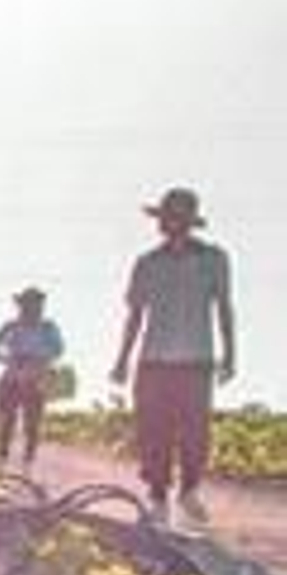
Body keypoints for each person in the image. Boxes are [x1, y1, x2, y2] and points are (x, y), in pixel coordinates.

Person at [111, 186, 235, 525]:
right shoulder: (147, 263)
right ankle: (157, 496)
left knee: (195, 430)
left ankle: (189, 489)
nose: (163, 223)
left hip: (197, 359)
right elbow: (135, 314)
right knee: (152, 430)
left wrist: (230, 354)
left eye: (171, 217)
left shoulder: (213, 259)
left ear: (186, 222)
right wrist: (122, 359)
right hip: (153, 359)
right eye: (163, 217)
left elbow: (224, 307)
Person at [0, 288, 65, 468]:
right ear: (21, 306)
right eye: (27, 304)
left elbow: (59, 350)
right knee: (7, 420)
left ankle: (28, 462)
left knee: (32, 424)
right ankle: (2, 459)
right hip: (12, 377)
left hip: (36, 379)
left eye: (36, 304)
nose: (32, 308)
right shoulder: (11, 326)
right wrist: (6, 359)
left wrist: (37, 359)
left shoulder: (48, 327)